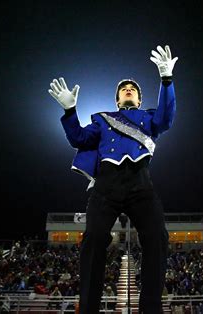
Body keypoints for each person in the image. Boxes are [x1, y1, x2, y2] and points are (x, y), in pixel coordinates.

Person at [48, 44, 178, 313]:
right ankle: (88, 309)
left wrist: (166, 80)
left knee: (157, 237)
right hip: (107, 185)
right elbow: (79, 139)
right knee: (94, 239)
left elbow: (166, 119)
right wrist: (70, 111)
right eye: (123, 89)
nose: (128, 90)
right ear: (117, 100)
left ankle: (151, 309)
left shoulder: (149, 117)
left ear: (139, 100)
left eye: (133, 89)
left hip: (140, 182)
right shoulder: (103, 120)